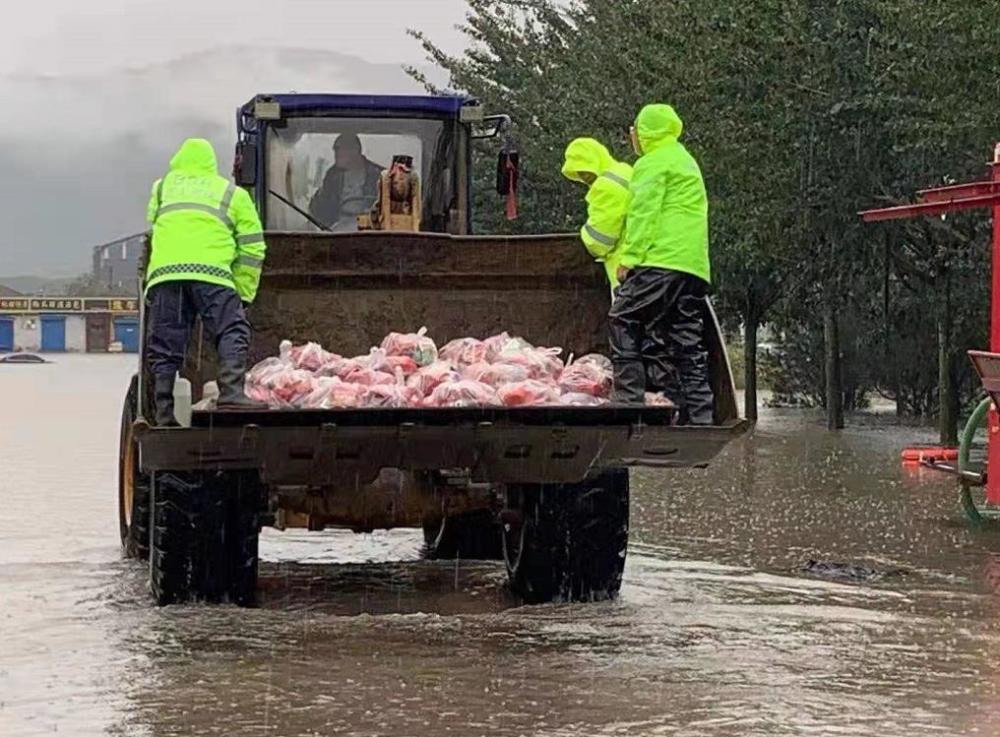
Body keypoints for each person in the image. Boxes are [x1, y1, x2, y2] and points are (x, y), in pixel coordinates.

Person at [145, 138, 268, 425]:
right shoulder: (232, 194)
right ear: (212, 164)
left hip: (166, 276)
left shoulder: (161, 188)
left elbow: (155, 225)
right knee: (231, 330)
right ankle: (232, 393)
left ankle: (163, 413)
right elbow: (253, 247)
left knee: (165, 343)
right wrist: (243, 291)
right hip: (212, 276)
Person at [609, 104, 714, 424]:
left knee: (622, 318)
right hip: (692, 266)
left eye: (634, 130)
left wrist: (629, 259)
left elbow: (644, 214)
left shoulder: (652, 163)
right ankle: (698, 417)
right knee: (685, 339)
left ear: (645, 132)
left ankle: (629, 404)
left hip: (660, 261)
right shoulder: (685, 160)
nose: (632, 136)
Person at [561, 137, 683, 409]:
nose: (584, 178)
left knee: (626, 331)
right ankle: (667, 398)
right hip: (656, 267)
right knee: (655, 334)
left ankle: (631, 399)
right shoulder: (626, 172)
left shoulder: (606, 186)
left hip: (626, 270)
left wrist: (583, 233)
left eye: (583, 172)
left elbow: (599, 239)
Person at [308, 133, 383, 231]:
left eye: (339, 149)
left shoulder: (379, 175)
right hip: (339, 233)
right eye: (335, 150)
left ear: (355, 150)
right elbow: (321, 208)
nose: (336, 154)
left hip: (374, 230)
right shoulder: (332, 176)